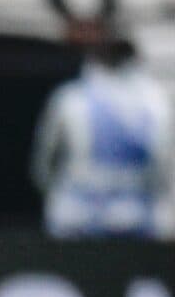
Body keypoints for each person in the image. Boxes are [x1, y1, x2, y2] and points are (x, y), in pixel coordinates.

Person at [32, 32, 175, 239]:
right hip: (137, 219)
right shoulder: (158, 100)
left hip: (78, 218)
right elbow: (163, 169)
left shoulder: (71, 97)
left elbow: (43, 165)